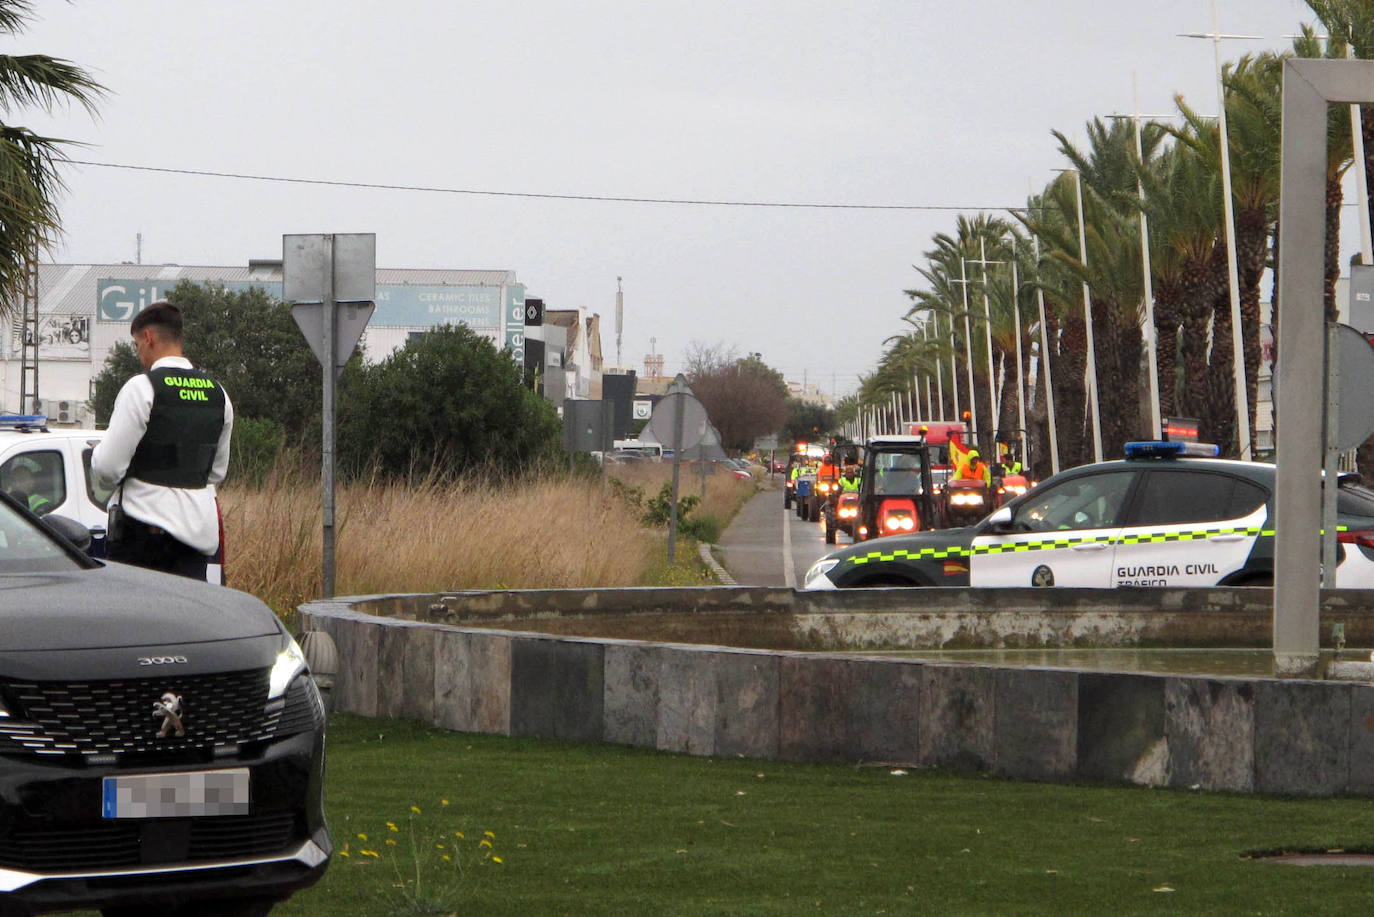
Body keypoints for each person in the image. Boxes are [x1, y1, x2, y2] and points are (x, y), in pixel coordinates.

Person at [91, 302, 233, 581]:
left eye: (136, 345)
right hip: (195, 547)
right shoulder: (219, 395)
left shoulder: (141, 388)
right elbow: (216, 472)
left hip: (143, 542)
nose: (139, 353)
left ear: (148, 338)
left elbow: (108, 468)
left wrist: (99, 457)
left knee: (138, 623)